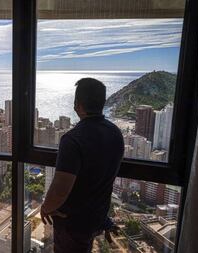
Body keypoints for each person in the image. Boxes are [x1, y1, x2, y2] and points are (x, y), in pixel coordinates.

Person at [40, 78, 124, 253]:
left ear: (77, 105)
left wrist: (46, 208)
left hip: (74, 223)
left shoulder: (73, 139)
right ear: (102, 103)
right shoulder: (115, 133)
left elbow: (60, 189)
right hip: (97, 216)